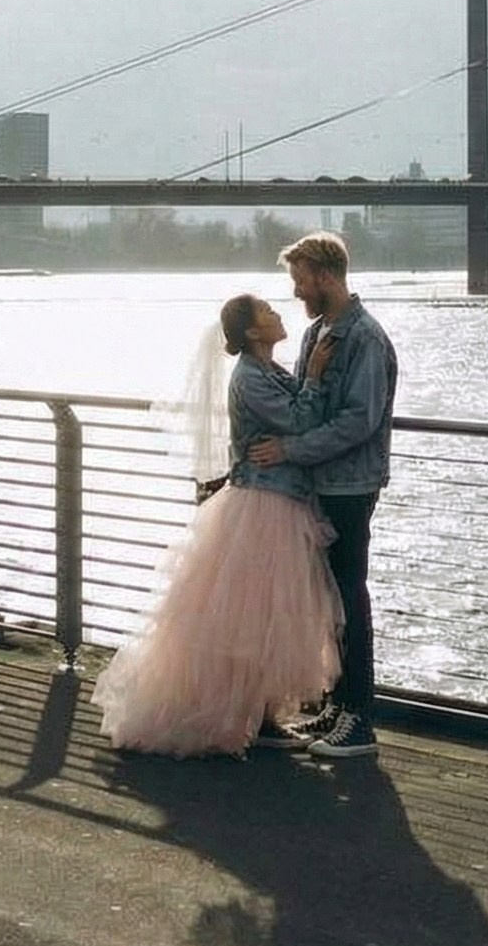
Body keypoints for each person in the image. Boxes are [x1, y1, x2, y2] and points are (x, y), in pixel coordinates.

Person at [91, 292, 342, 758]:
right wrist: (314, 378)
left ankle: (261, 714)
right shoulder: (250, 378)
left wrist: (307, 379)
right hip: (263, 506)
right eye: (267, 312)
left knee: (263, 617)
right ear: (251, 331)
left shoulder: (267, 370)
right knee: (254, 617)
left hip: (276, 501)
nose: (277, 314)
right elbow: (297, 419)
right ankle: (253, 717)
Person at [248, 231, 398, 759]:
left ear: (327, 276)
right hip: (320, 484)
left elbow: (359, 421)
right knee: (328, 600)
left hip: (350, 485)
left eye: (300, 280)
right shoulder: (317, 333)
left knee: (349, 595)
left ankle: (360, 721)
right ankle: (336, 706)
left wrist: (290, 450)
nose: (296, 291)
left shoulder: (365, 338)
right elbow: (305, 403)